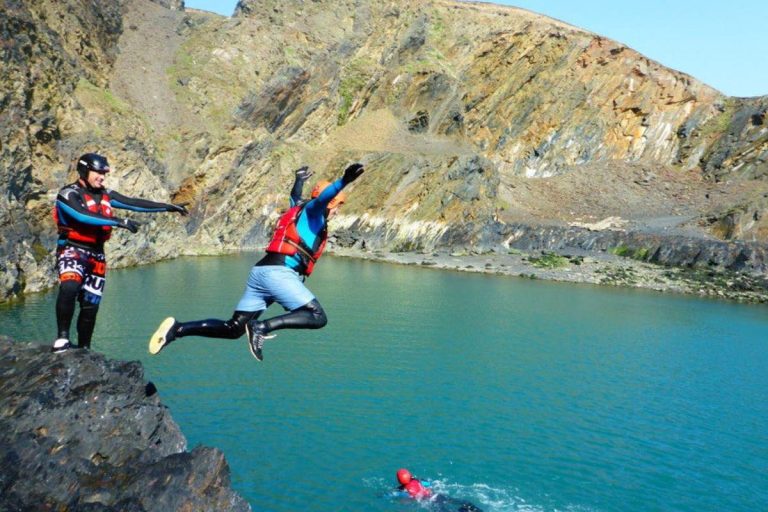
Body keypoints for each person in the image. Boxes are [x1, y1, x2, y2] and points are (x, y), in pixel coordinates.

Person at [148, 162, 365, 361]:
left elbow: (295, 196)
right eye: (338, 205)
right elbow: (323, 198)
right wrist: (344, 181)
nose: (338, 211)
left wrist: (299, 180)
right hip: (279, 273)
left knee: (234, 328)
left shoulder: (298, 209)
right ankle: (261, 327)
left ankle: (177, 330)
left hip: (261, 273)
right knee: (317, 316)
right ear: (330, 202)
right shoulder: (315, 212)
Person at [51, 153, 189, 352]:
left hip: (97, 255)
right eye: (98, 173)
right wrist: (118, 221)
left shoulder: (106, 195)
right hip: (73, 249)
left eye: (104, 174)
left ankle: (84, 348)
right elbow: (82, 216)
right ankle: (62, 338)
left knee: (90, 305)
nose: (102, 177)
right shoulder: (68, 194)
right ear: (84, 171)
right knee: (69, 286)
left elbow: (134, 203)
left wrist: (168, 207)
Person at [395, 469, 483, 512]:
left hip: (430, 502)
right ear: (409, 475)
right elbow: (429, 484)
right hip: (438, 496)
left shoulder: (402, 490)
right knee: (462, 503)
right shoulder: (418, 480)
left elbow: (405, 499)